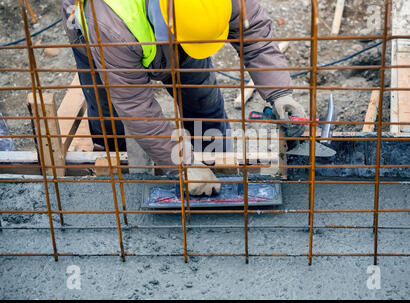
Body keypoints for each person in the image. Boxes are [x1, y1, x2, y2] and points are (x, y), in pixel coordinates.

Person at [61, 0, 307, 196]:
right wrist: (182, 166)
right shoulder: (111, 22)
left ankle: (216, 169)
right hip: (99, 34)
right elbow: (135, 103)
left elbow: (254, 35)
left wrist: (280, 93)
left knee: (202, 99)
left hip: (182, 29)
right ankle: (124, 180)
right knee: (111, 115)